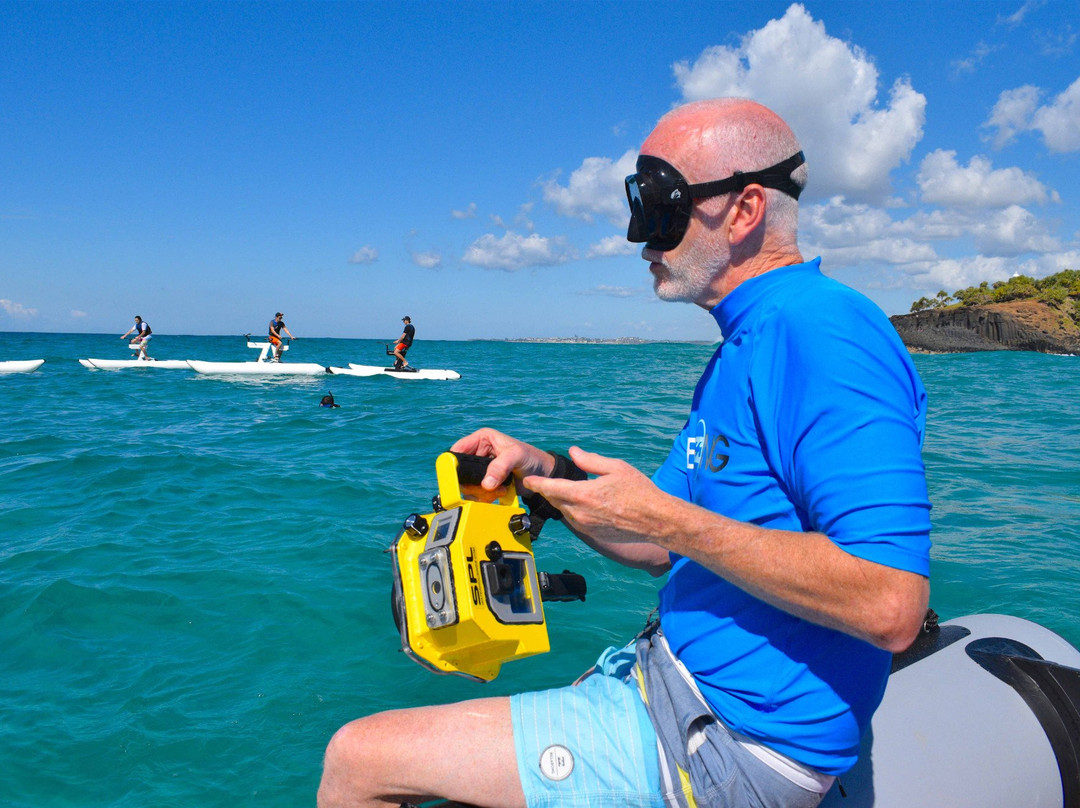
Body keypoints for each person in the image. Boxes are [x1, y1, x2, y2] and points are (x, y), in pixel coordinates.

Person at [318, 99, 932, 808]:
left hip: (732, 745)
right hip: (668, 684)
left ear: (745, 209)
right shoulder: (746, 344)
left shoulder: (823, 332)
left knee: (357, 762)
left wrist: (670, 520)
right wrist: (546, 477)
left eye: (662, 208)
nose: (642, 239)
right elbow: (662, 546)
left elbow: (892, 602)